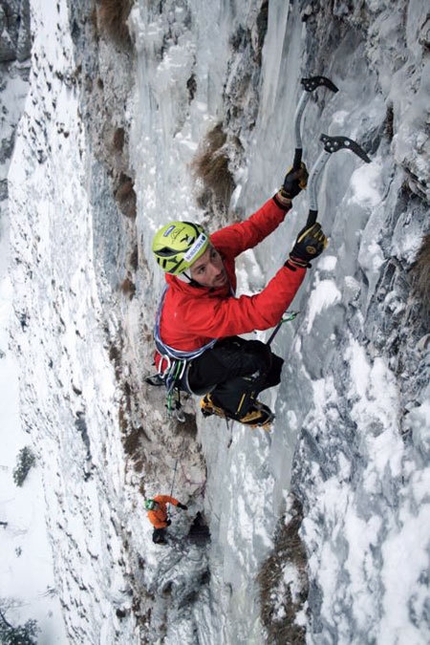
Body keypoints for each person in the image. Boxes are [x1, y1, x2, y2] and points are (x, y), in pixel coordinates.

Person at [151, 164, 327, 428]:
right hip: (189, 368)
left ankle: (231, 391)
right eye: (201, 270)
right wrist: (298, 261)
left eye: (211, 254)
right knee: (256, 361)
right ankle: (222, 402)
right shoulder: (190, 310)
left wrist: (284, 197)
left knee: (273, 370)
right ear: (183, 277)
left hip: (203, 341)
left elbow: (251, 230)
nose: (216, 267)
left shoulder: (212, 250)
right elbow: (261, 315)